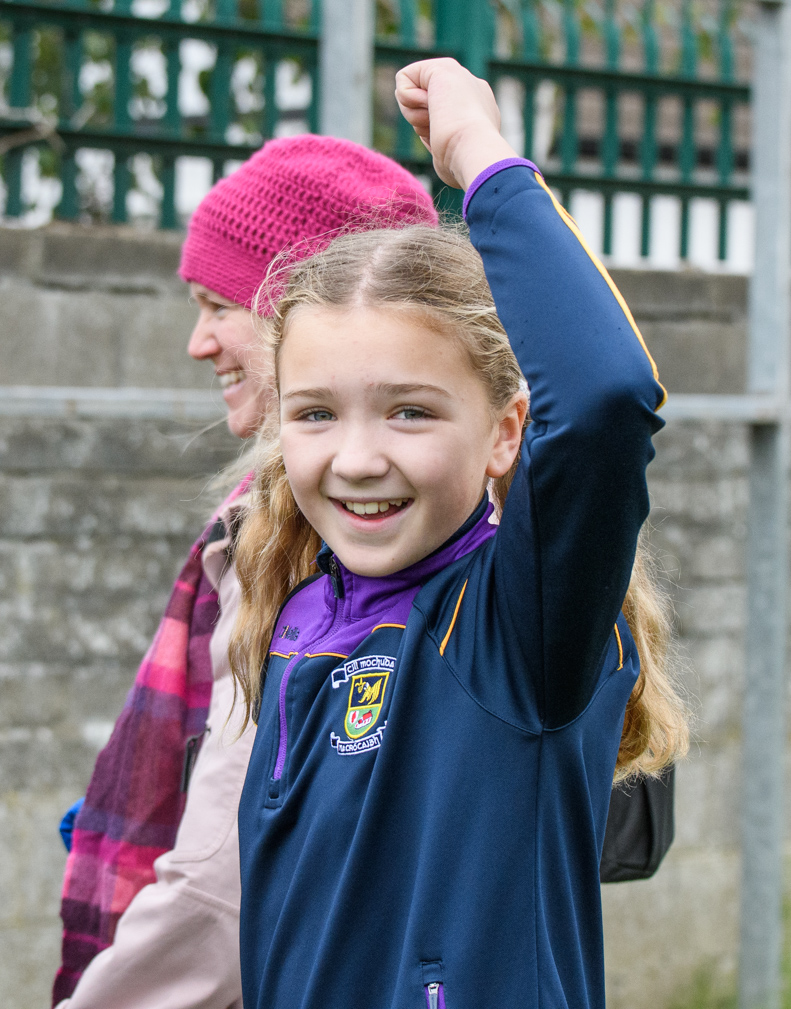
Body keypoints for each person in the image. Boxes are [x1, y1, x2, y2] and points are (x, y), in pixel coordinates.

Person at [229, 58, 689, 1009]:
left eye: (409, 412)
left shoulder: (513, 625)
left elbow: (605, 394)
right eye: (315, 414)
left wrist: (481, 156)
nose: (355, 458)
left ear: (505, 432)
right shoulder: (296, 611)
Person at [52, 134, 438, 1009]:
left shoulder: (308, 539)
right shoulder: (442, 517)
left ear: (310, 311)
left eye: (217, 303)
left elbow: (224, 887)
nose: (198, 341)